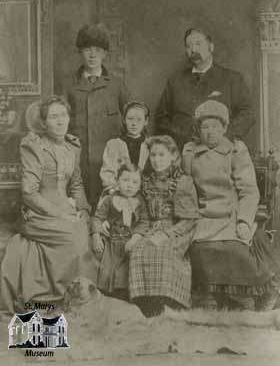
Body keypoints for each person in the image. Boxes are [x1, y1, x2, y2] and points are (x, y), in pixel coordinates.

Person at [182, 100, 280, 310]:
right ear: (198, 129)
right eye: (205, 127)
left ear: (225, 127)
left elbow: (249, 190)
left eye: (215, 127)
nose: (209, 132)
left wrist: (244, 220)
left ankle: (244, 300)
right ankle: (210, 298)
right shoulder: (190, 152)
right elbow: (184, 188)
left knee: (236, 250)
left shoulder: (235, 150)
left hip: (231, 215)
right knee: (200, 249)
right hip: (203, 216)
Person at [1, 96, 91, 313]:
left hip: (67, 211)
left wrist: (84, 210)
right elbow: (29, 193)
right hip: (37, 213)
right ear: (44, 123)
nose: (60, 121)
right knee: (73, 237)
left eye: (63, 115)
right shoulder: (33, 146)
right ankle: (57, 300)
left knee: (83, 229)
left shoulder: (72, 147)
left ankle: (78, 298)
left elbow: (76, 184)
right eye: (53, 117)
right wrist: (62, 215)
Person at [128, 135, 199, 317]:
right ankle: (147, 306)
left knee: (163, 251)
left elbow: (189, 219)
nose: (157, 160)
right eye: (153, 155)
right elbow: (143, 215)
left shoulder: (182, 181)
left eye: (162, 155)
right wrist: (138, 235)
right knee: (139, 251)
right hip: (150, 227)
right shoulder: (145, 180)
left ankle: (169, 305)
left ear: (173, 156)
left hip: (177, 228)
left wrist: (167, 234)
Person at [63, 23, 130, 210]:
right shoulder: (69, 85)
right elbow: (59, 120)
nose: (92, 55)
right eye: (87, 50)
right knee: (80, 210)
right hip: (78, 161)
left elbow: (132, 119)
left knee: (110, 210)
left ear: (105, 54)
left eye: (98, 50)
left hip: (109, 162)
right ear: (80, 52)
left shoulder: (116, 84)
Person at [155, 27, 255, 149]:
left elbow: (247, 114)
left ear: (211, 47)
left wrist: (224, 137)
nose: (193, 49)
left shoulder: (232, 79)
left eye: (198, 44)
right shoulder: (175, 81)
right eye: (188, 46)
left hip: (221, 153)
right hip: (182, 151)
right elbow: (161, 118)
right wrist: (179, 137)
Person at [91, 164, 144, 297]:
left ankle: (125, 297)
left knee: (126, 271)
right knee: (107, 269)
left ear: (140, 185)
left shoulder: (140, 203)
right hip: (112, 242)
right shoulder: (110, 200)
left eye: (134, 182)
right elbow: (97, 218)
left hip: (130, 243)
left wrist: (136, 237)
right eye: (125, 180)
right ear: (117, 181)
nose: (130, 185)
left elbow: (145, 222)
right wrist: (96, 236)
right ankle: (107, 296)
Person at [100, 101, 150, 193]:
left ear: (146, 121)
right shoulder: (113, 145)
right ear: (124, 120)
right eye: (130, 119)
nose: (134, 123)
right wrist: (117, 191)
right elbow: (107, 174)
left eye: (139, 119)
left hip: (144, 193)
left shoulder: (150, 145)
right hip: (118, 192)